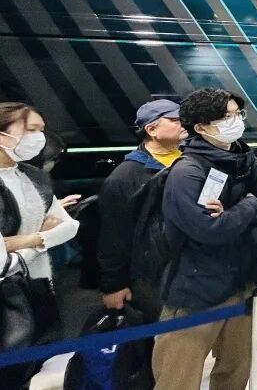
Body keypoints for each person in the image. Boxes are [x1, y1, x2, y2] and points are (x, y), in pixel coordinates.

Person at [152, 89, 257, 390]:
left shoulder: (244, 158)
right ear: (201, 127)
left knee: (236, 371)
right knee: (178, 379)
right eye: (226, 117)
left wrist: (233, 214)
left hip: (241, 281)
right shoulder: (186, 172)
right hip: (196, 289)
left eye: (238, 114)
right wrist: (247, 204)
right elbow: (210, 230)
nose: (236, 121)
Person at [0, 103, 80, 389]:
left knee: (32, 367)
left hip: (38, 284)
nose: (39, 138)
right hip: (7, 292)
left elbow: (69, 226)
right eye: (31, 129)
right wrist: (39, 238)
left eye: (42, 130)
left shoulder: (34, 176)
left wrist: (19, 242)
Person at [99, 99, 186, 320]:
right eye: (175, 120)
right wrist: (114, 285)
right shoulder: (126, 177)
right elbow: (113, 234)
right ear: (151, 129)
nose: (184, 124)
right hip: (154, 274)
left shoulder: (193, 161)